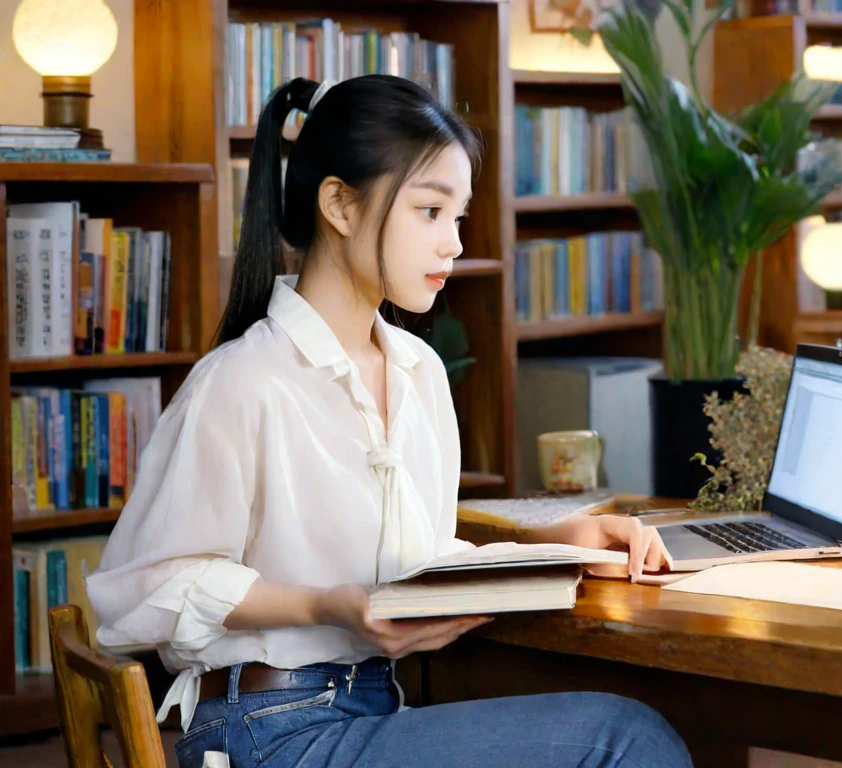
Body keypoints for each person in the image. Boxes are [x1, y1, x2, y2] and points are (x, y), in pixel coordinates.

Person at [85, 75, 692, 768]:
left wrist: (563, 542)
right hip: (269, 732)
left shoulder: (418, 371)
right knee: (627, 739)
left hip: (369, 709)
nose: (454, 245)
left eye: (458, 218)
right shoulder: (243, 382)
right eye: (430, 212)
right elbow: (144, 590)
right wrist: (324, 607)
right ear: (340, 204)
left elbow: (413, 567)